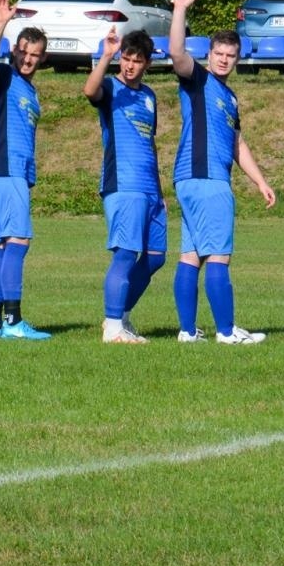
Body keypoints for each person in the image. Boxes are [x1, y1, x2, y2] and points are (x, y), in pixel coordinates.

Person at [167, 0, 275, 344]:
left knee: (191, 254)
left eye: (230, 55)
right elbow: (177, 52)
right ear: (209, 54)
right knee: (218, 256)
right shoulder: (197, 79)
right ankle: (227, 332)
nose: (224, 59)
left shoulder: (229, 98)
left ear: (237, 58)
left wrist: (260, 181)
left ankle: (187, 331)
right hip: (206, 179)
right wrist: (180, 9)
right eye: (219, 53)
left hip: (193, 180)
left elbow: (237, 143)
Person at [85, 26, 168, 343]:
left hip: (150, 190)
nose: (130, 65)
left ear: (147, 64)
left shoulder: (149, 96)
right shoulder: (109, 86)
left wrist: (160, 193)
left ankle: (121, 316)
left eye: (137, 60)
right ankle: (113, 326)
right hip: (123, 185)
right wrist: (105, 56)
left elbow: (151, 144)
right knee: (125, 254)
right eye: (126, 58)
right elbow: (89, 91)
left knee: (156, 257)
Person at [0, 0, 51, 340]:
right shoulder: (4, 76)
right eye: (24, 52)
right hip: (4, 171)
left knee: (4, 246)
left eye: (35, 55)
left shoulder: (29, 89)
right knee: (18, 241)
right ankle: (14, 321)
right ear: (15, 50)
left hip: (7, 172)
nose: (28, 59)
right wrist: (0, 23)